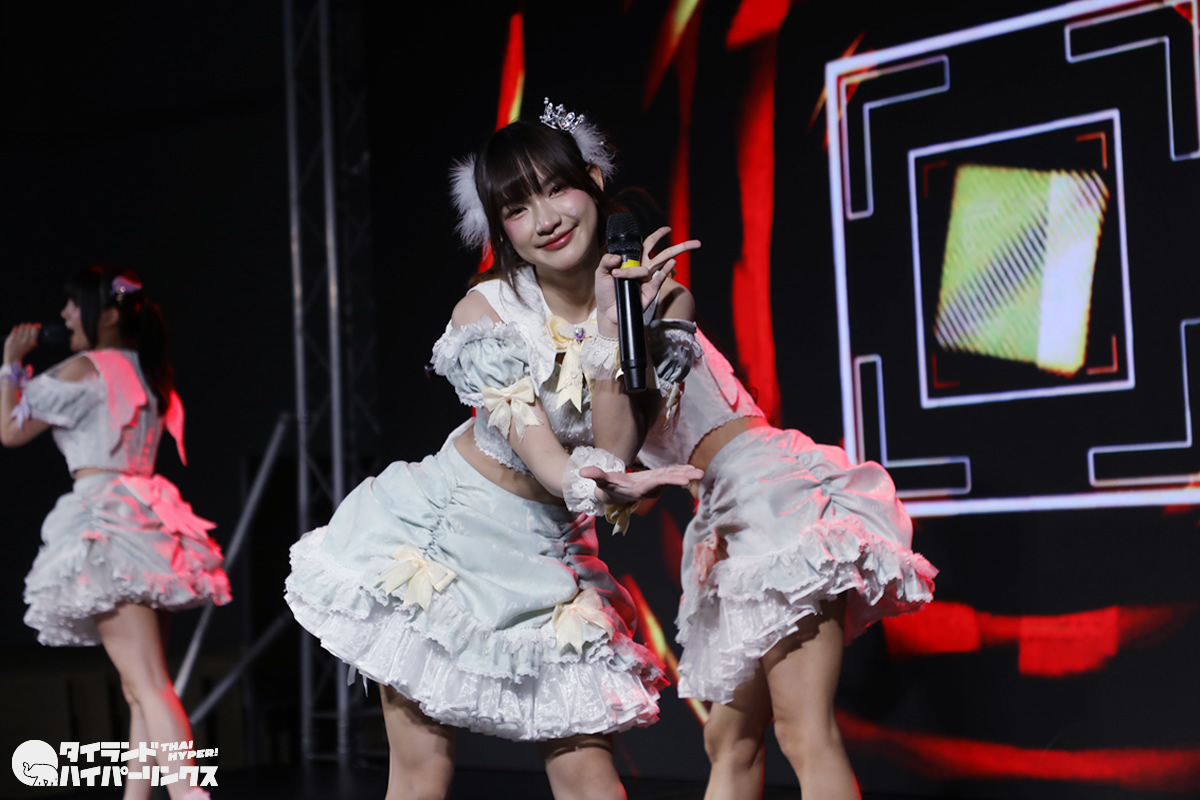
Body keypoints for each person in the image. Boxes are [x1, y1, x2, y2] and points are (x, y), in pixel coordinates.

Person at [284, 100, 702, 800]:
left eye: (556, 188)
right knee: (422, 775)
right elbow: (550, 460)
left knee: (590, 781)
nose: (545, 219)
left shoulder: (663, 303)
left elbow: (614, 446)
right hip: (445, 538)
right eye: (516, 207)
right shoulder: (487, 311)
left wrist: (612, 323)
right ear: (499, 226)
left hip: (551, 552)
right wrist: (601, 481)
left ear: (594, 182)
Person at [639, 319, 938, 799]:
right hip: (723, 515)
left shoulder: (640, 302)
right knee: (729, 740)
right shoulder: (572, 357)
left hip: (768, 495)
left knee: (802, 730)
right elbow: (634, 488)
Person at [1, 266, 230, 800]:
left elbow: (10, 429)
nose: (65, 315)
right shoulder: (149, 372)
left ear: (105, 316)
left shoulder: (87, 368)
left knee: (147, 683)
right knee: (140, 688)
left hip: (108, 522)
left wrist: (11, 365)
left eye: (73, 305)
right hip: (145, 520)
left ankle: (188, 794)